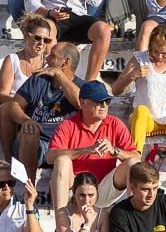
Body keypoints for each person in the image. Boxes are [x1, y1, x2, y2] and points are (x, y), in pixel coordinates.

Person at [47, 80, 140, 215]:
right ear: (82, 103)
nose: (103, 105)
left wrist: (114, 150)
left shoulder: (115, 123)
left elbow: (136, 157)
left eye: (106, 101)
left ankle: (134, 218)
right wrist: (85, 150)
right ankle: (61, 219)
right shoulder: (68, 125)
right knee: (62, 161)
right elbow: (50, 157)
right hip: (76, 190)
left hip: (103, 190)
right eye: (98, 101)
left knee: (133, 164)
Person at [6, 41, 82, 189]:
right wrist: (26, 121)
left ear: (66, 62)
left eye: (52, 56)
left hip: (61, 147)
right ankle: (28, 192)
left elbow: (80, 102)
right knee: (29, 131)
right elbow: (14, 106)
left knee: (64, 157)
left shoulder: (82, 86)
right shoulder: (38, 79)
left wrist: (59, 74)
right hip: (34, 143)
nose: (46, 59)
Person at [0, 14, 54, 159]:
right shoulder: (12, 60)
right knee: (7, 109)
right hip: (14, 110)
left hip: (39, 111)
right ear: (26, 37)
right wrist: (20, 106)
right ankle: (8, 160)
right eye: (37, 38)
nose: (42, 43)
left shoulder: (49, 64)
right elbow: (1, 95)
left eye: (46, 40)